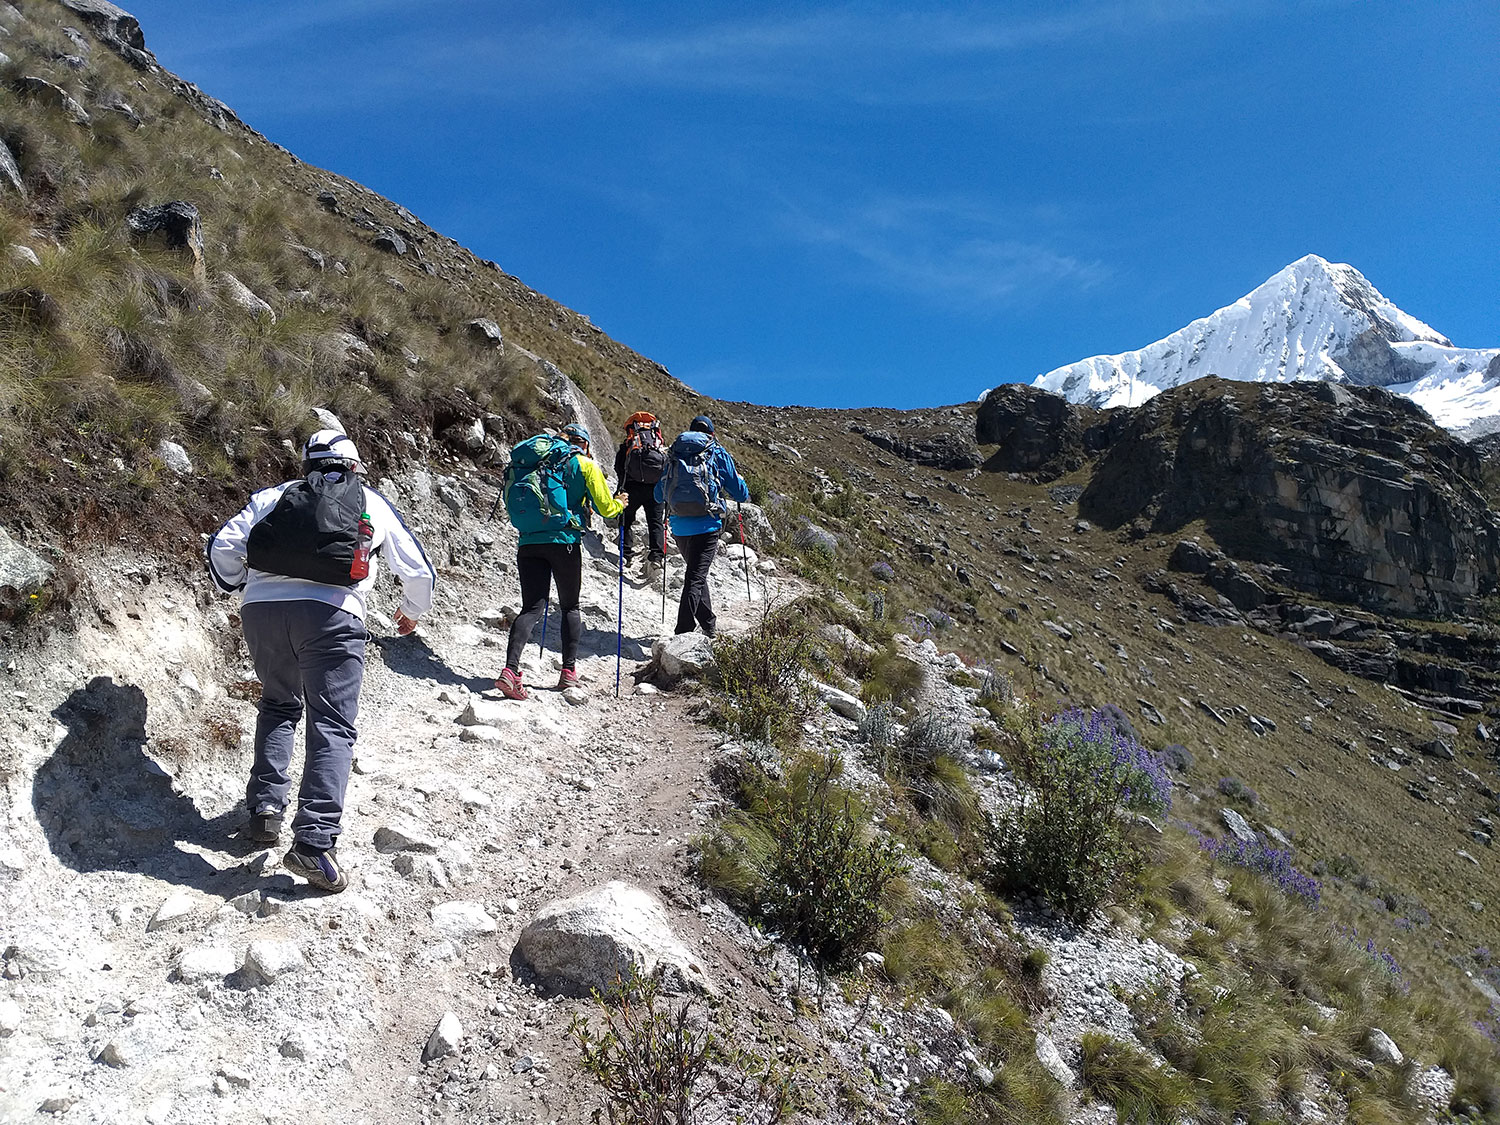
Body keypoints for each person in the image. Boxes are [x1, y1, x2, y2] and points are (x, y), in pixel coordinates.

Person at [206, 429, 436, 893]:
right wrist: (411, 612)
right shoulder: (369, 500)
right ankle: (313, 843)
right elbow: (418, 570)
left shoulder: (273, 496)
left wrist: (237, 585)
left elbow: (222, 548)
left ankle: (266, 810)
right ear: (354, 466)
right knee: (331, 724)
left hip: (262, 613)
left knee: (278, 705)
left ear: (307, 464)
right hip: (334, 615)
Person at [497, 422, 626, 700]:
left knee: (531, 608)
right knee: (570, 606)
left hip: (529, 541)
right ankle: (568, 674)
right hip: (565, 543)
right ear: (585, 444)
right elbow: (606, 509)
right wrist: (621, 504)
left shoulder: (535, 462)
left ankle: (510, 671)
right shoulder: (584, 464)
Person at [656, 415, 749, 637]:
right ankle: (683, 633)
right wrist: (742, 484)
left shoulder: (675, 452)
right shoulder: (716, 451)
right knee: (695, 578)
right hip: (707, 525)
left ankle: (708, 624)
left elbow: (659, 494)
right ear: (712, 433)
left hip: (679, 526)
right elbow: (740, 493)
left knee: (696, 575)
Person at [613, 411, 668, 581]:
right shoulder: (657, 444)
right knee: (655, 522)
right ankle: (657, 557)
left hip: (632, 486)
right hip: (655, 489)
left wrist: (621, 487)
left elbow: (618, 467)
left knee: (626, 519)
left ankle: (626, 554)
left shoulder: (629, 444)